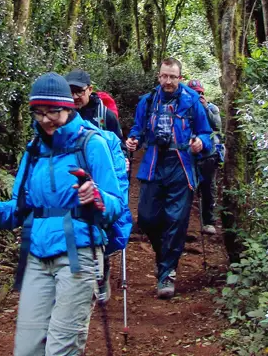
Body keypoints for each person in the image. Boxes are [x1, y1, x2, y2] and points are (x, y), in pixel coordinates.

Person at [0, 72, 125, 356]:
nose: (46, 119)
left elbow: (115, 204)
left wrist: (96, 197)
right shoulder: (33, 151)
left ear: (69, 108)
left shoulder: (92, 143)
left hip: (80, 254)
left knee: (61, 348)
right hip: (37, 256)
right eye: (39, 113)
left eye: (53, 111)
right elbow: (19, 209)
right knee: (27, 349)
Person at [125, 58, 212, 299]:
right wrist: (132, 140)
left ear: (180, 78)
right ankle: (164, 257)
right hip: (153, 163)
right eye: (164, 76)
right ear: (159, 76)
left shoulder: (192, 101)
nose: (168, 81)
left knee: (176, 220)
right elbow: (138, 129)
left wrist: (199, 143)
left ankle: (167, 273)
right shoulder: (148, 101)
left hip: (181, 164)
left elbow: (207, 134)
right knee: (147, 217)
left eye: (173, 77)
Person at [65, 69, 130, 305]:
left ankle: (102, 275)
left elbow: (119, 146)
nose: (74, 97)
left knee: (103, 223)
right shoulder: (62, 113)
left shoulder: (105, 116)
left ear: (89, 90)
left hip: (102, 176)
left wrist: (122, 161)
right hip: (74, 178)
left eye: (79, 92)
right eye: (70, 92)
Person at [187, 79, 222, 236]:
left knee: (208, 188)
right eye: (195, 93)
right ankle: (183, 223)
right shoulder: (184, 108)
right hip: (189, 154)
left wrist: (206, 108)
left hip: (209, 155)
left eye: (200, 93)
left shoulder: (212, 108)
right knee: (186, 188)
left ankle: (208, 221)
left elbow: (217, 126)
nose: (198, 95)